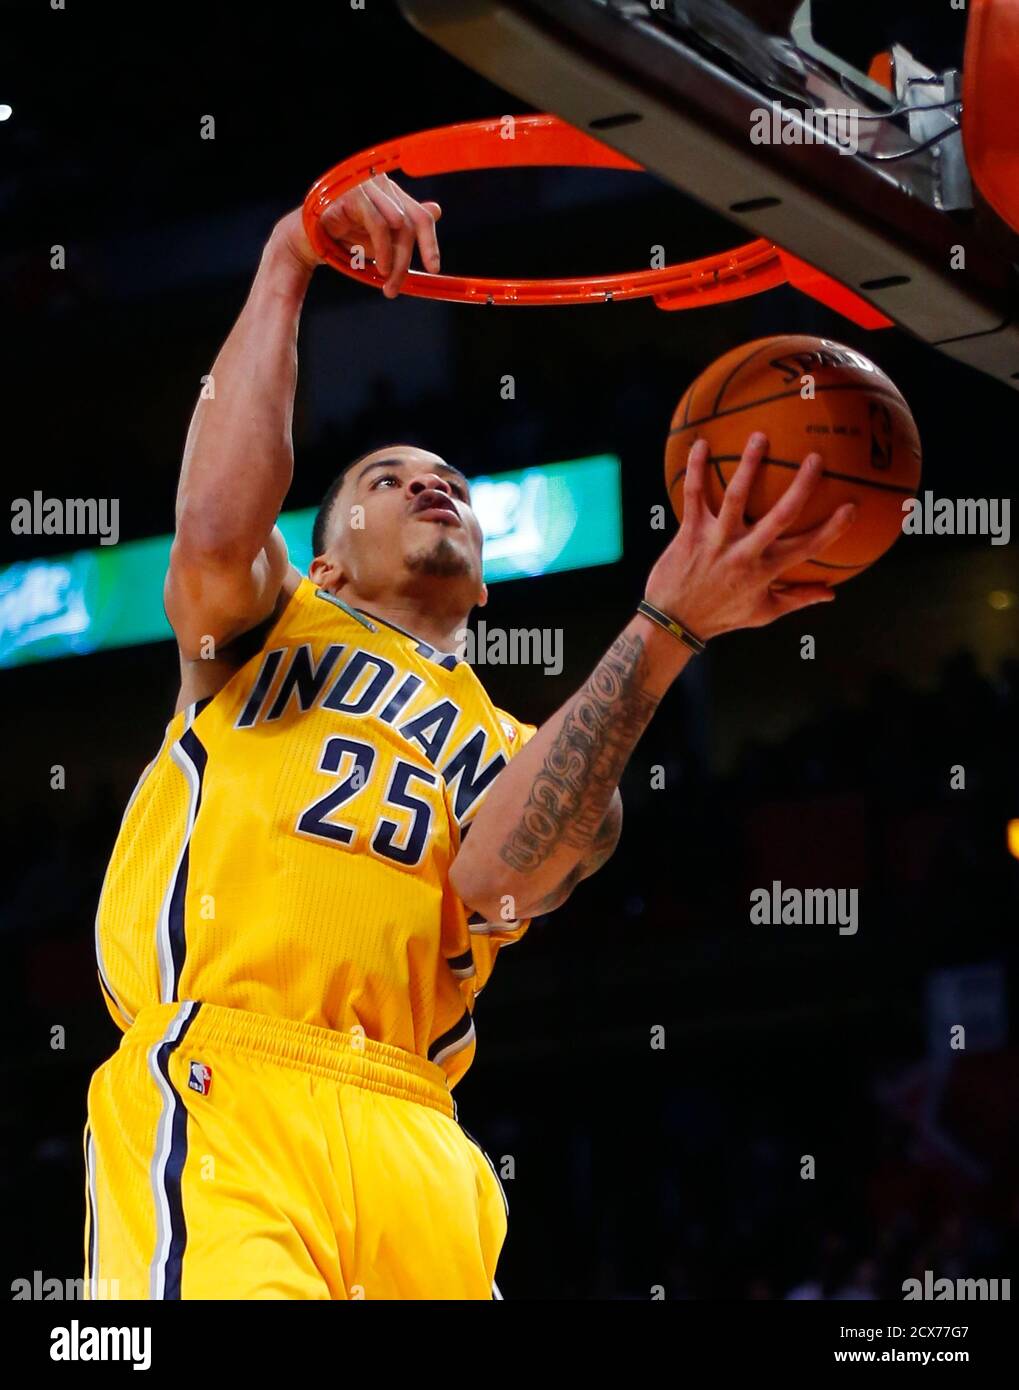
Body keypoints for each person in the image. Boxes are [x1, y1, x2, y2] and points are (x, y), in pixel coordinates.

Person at [83, 172, 855, 1300]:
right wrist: (287, 256)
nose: (429, 484)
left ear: (487, 587)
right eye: (387, 478)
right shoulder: (258, 624)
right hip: (228, 1084)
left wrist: (669, 625)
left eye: (446, 479)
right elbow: (212, 520)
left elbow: (501, 877)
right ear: (328, 554)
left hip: (419, 1132)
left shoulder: (518, 741)